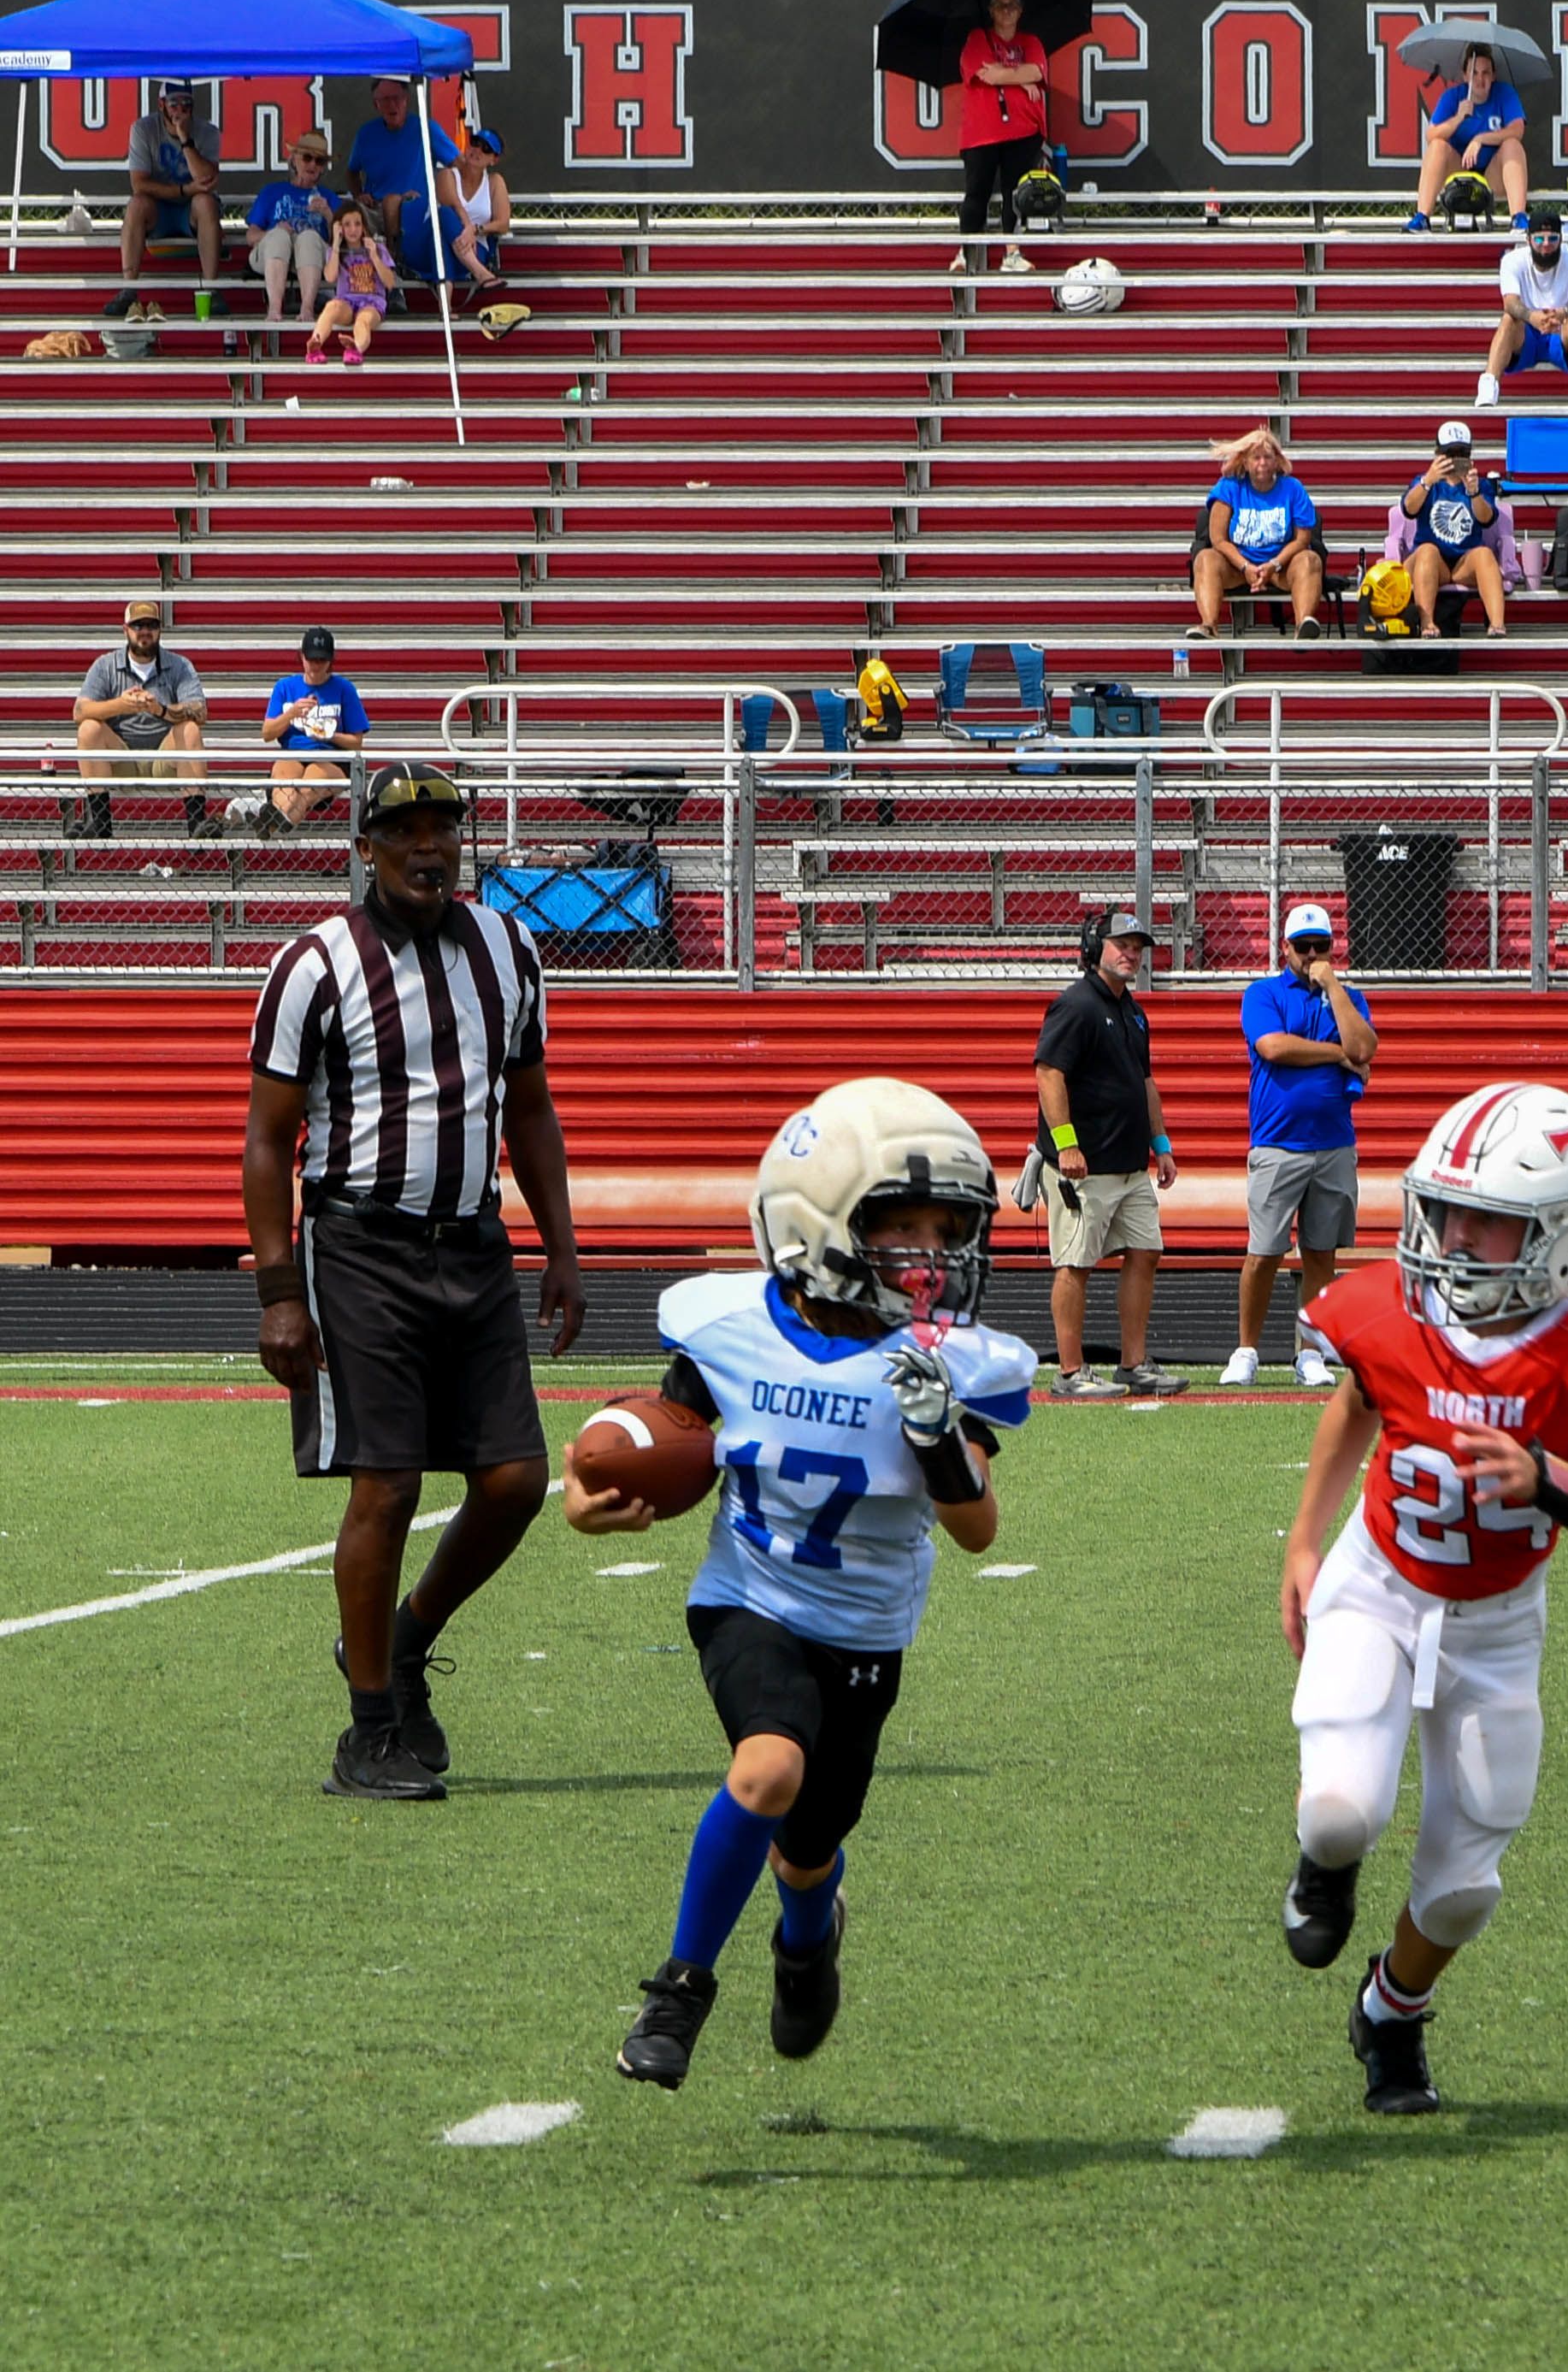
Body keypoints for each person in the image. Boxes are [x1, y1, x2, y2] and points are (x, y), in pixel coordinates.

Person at [578, 1081, 1032, 2088]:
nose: (929, 1251)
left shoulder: (952, 1360)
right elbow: (661, 1435)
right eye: (899, 1224)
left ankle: (806, 1935)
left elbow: (977, 1531)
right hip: (750, 1601)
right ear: (815, 1221)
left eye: (946, 1226)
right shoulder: (729, 1324)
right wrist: (588, 1485)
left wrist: (937, 1436)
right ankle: (679, 1987)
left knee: (808, 1851)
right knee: (767, 1768)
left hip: (865, 1637)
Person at [1277, 1084, 1568, 2115]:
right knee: (1336, 1813)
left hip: (1498, 1624)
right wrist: (1303, 1537)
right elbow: (1355, 1407)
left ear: (1565, 1231)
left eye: (1489, 1219)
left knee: (1462, 1886)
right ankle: (1324, 1864)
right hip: (1376, 1581)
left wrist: (1546, 1476)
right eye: (1447, 1210)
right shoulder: (1389, 1308)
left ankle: (1392, 2009)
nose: (1456, 1237)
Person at [245, 761, 582, 1801]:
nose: (430, 847)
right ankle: (369, 1730)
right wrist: (279, 1289)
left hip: (473, 1243)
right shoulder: (314, 963)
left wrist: (563, 1247)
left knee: (519, 1479)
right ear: (366, 850)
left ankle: (399, 1637)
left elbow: (528, 1108)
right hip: (361, 1247)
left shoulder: (508, 946)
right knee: (386, 1482)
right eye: (407, 833)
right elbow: (267, 1139)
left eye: (444, 828)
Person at [1232, 902, 1378, 1389]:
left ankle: (1310, 1352)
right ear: (1285, 948)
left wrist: (1333, 986)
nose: (1313, 955)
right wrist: (1337, 1054)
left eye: (1322, 946)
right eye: (1303, 947)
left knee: (1321, 1254)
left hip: (1333, 1143)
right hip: (1278, 1142)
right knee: (1265, 1251)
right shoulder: (1264, 993)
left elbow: (1366, 1047)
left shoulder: (1349, 997)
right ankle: (1247, 1349)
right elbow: (1273, 1047)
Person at [1034, 910, 1176, 1400]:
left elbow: (1145, 1082)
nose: (1131, 953)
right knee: (1076, 1262)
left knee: (1147, 1250)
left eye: (1137, 946)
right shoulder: (1075, 1006)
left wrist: (1161, 1145)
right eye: (1122, 944)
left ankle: (1132, 1364)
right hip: (1085, 1164)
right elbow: (1049, 1073)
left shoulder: (1134, 1011)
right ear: (1095, 947)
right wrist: (1067, 1142)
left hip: (1130, 1163)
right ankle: (1071, 1372)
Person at [68, 598, 207, 841]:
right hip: (122, 758)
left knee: (190, 729)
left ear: (160, 629)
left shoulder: (179, 665)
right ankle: (101, 821)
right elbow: (79, 711)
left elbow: (200, 710)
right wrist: (120, 705)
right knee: (89, 729)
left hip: (165, 758)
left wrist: (160, 709)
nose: (145, 632)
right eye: (138, 625)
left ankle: (197, 823)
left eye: (151, 625)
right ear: (126, 630)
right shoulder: (106, 665)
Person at [232, 625, 370, 838]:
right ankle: (272, 818)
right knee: (285, 790)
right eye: (311, 660)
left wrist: (329, 735)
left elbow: (356, 742)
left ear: (331, 661)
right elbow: (268, 733)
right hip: (292, 753)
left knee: (306, 789)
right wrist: (291, 713)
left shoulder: (344, 689)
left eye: (321, 661)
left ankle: (260, 813)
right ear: (301, 657)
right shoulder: (285, 687)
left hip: (331, 757)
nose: (315, 667)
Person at [1191, 429, 1329, 639]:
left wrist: (1274, 564)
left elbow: (1303, 539)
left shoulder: (1293, 488)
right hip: (1236, 567)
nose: (1262, 463)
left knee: (1310, 560)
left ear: (1277, 461)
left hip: (1281, 568)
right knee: (1205, 559)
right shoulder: (1228, 487)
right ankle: (1209, 626)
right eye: (1256, 458)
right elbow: (1218, 539)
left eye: (1268, 457)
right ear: (1245, 462)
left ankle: (1303, 625)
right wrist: (1245, 566)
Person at [950, 0, 1050, 274]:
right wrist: (1022, 77)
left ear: (1021, 10)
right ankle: (966, 253)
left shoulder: (1031, 42)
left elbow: (1038, 70)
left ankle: (1012, 253)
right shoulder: (977, 38)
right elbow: (986, 76)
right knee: (977, 192)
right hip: (982, 132)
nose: (1007, 11)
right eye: (1001, 5)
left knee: (1014, 194)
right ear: (991, 11)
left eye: (1013, 5)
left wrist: (1011, 73)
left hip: (1023, 130)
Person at [1398, 420, 1512, 638]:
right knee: (1428, 551)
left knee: (1484, 554)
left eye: (1461, 453)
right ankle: (1427, 623)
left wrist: (1474, 493)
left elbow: (1487, 519)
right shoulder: (1425, 482)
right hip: (1428, 561)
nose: (1454, 460)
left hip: (1463, 562)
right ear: (1438, 454)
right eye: (1450, 454)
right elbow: (1408, 509)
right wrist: (1428, 481)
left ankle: (1497, 624)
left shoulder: (1480, 485)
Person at [1407, 49, 1531, 236]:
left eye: (1486, 73)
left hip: (1492, 177)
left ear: (1493, 76)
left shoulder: (1505, 93)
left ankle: (1519, 219)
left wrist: (1479, 139)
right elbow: (1431, 134)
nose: (1480, 79)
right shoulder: (1453, 96)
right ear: (1465, 76)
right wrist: (1458, 118)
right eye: (1474, 72)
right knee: (1437, 146)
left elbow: (1517, 130)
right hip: (1458, 176)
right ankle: (1423, 218)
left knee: (1512, 145)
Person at [1482, 205, 1568, 409]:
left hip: (1561, 332)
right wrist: (1531, 316)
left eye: (1552, 239)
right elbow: (1510, 302)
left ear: (1561, 239)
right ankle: (1489, 382)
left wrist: (1563, 313)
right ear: (1528, 240)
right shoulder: (1512, 261)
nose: (1546, 246)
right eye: (1539, 239)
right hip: (1527, 334)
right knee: (1509, 317)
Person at [122, 81, 224, 287]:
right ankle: (129, 288)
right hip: (158, 208)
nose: (180, 109)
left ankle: (212, 288)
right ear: (161, 105)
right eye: (174, 104)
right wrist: (184, 190)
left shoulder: (208, 132)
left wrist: (185, 139)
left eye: (186, 104)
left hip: (191, 210)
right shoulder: (143, 129)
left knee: (206, 203)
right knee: (136, 204)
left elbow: (206, 179)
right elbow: (139, 184)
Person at [246, 131, 344, 337]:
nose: (312, 165)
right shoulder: (272, 191)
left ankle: (307, 307)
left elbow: (343, 241)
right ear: (293, 160)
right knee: (279, 237)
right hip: (271, 255)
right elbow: (251, 236)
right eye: (307, 158)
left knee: (308, 236)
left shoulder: (328, 197)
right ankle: (274, 308)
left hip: (314, 257)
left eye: (319, 161)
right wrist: (273, 232)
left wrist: (328, 214)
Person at [345, 76, 452, 263]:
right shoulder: (366, 134)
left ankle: (394, 257)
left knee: (392, 201)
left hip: (414, 207)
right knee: (348, 212)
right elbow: (352, 171)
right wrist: (359, 194)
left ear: (406, 99)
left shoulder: (426, 129)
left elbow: (457, 164)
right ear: (376, 104)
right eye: (384, 100)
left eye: (396, 98)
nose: (391, 104)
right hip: (375, 209)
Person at [303, 204, 395, 367]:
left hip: (372, 302)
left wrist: (374, 256)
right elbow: (330, 277)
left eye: (358, 224)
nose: (353, 230)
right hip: (346, 301)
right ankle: (315, 345)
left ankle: (355, 349)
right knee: (332, 307)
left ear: (364, 226)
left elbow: (390, 283)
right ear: (339, 227)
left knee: (363, 321)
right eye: (347, 224)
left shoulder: (378, 249)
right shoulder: (334, 251)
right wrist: (337, 246)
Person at [430, 129, 509, 288]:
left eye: (486, 149)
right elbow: (453, 206)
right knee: (444, 215)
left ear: (494, 159)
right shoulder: (447, 175)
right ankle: (481, 273)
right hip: (440, 247)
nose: (477, 150)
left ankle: (446, 307)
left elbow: (503, 224)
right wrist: (467, 227)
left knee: (450, 244)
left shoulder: (494, 182)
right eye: (475, 143)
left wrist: (475, 230)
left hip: (475, 247)